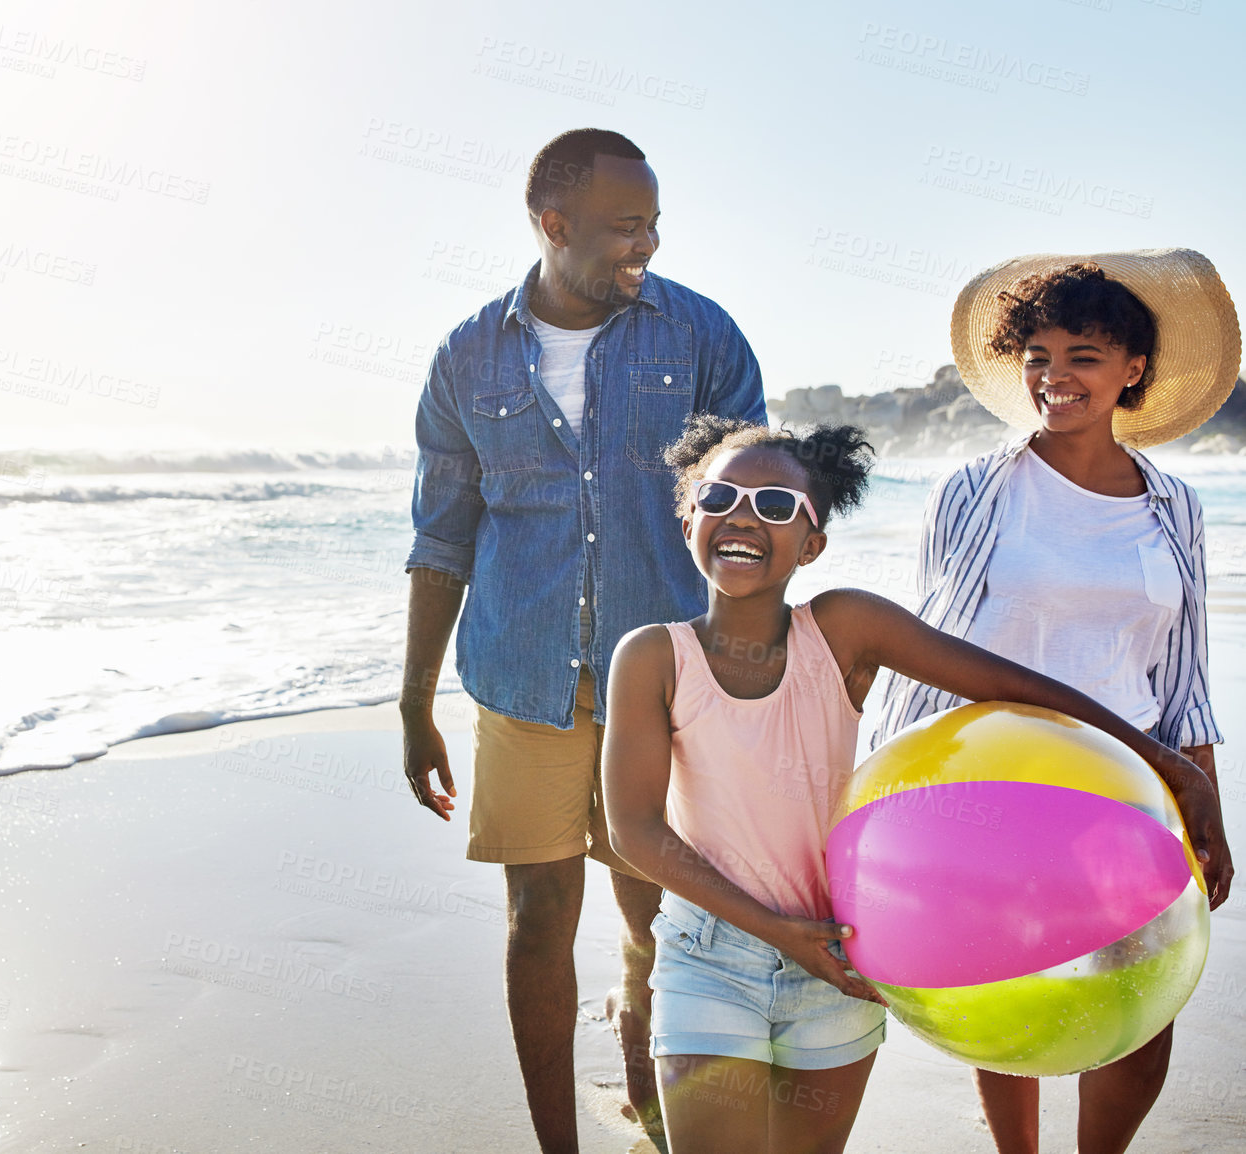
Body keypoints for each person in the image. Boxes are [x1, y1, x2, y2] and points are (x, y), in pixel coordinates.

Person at [600, 415, 1232, 1154]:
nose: (742, 517)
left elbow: (1007, 684)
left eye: (775, 506)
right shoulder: (652, 657)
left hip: (838, 966)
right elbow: (633, 830)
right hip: (709, 956)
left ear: (813, 545)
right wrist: (779, 936)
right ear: (687, 521)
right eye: (718, 498)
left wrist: (1173, 767)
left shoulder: (844, 628)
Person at [401, 127, 766, 1150]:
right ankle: (555, 1139)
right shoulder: (466, 355)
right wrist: (411, 699)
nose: (644, 243)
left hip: (663, 685)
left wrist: (753, 671)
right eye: (623, 225)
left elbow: (750, 518)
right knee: (533, 920)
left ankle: (651, 1096)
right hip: (521, 678)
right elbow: (441, 534)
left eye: (651, 221)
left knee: (658, 920)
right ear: (553, 226)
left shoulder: (699, 335)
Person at [872, 250, 1241, 1154]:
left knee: (1138, 1009)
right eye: (1038, 355)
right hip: (995, 786)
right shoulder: (973, 492)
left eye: (1083, 355)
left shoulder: (1176, 507)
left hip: (1134, 785)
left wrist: (1209, 804)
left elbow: (1184, 675)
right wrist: (885, 807)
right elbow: (933, 648)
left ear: (1133, 370)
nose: (1055, 377)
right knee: (1014, 996)